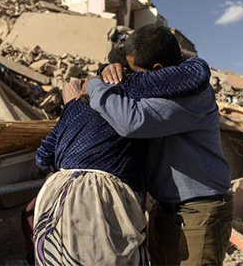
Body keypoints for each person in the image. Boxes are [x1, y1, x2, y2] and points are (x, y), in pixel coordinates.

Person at [31, 53, 211, 266]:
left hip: (54, 199)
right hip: (100, 202)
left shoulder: (76, 104)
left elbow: (43, 157)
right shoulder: (132, 89)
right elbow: (196, 75)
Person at [86, 24, 233, 266]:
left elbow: (130, 122)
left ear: (158, 70)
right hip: (168, 211)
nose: (132, 77)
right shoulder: (166, 87)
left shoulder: (193, 94)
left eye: (135, 71)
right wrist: (109, 70)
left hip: (197, 215)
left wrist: (95, 86)